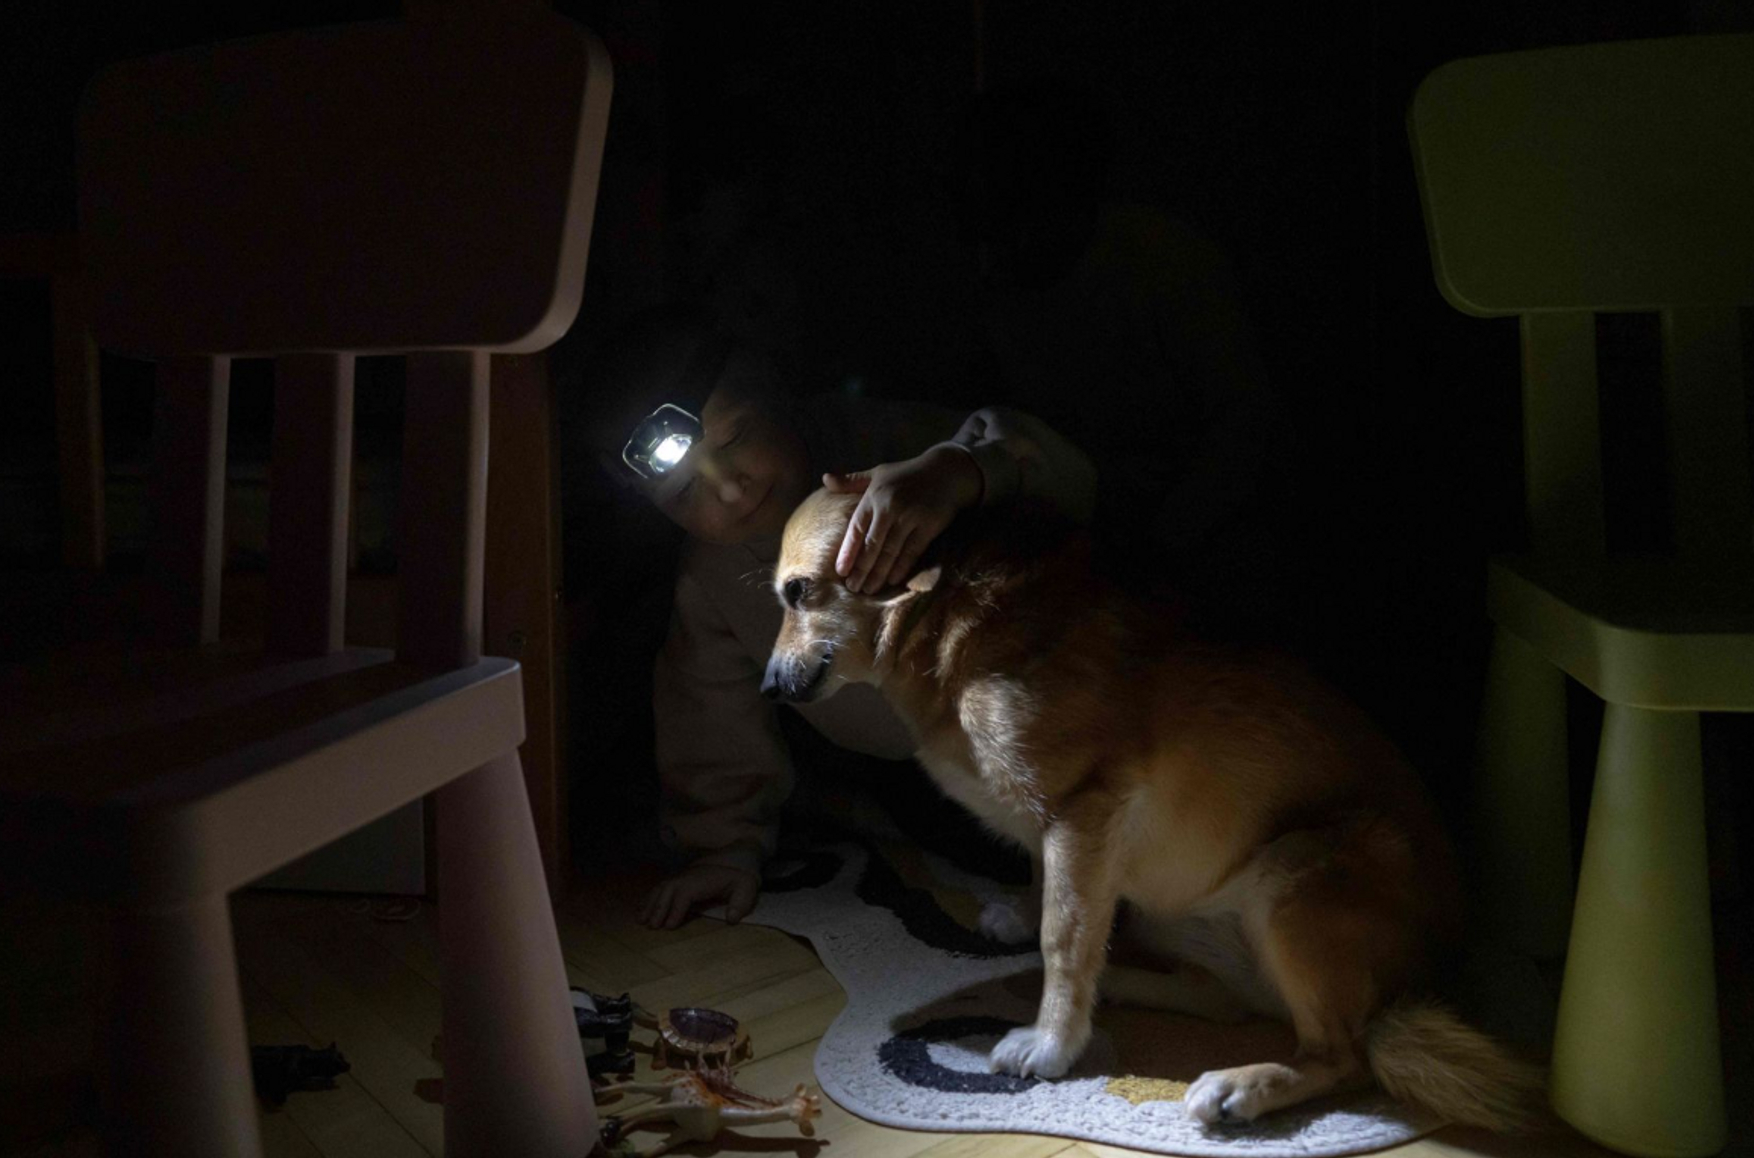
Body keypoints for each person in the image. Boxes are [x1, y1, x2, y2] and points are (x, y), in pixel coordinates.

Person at [579, 309, 1097, 929]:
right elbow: (709, 715)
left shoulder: (890, 447)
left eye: (736, 438)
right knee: (977, 844)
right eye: (685, 492)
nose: (730, 490)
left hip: (1067, 721)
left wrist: (960, 472)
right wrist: (725, 848)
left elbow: (1071, 479)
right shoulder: (713, 578)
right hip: (922, 772)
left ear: (773, 389)